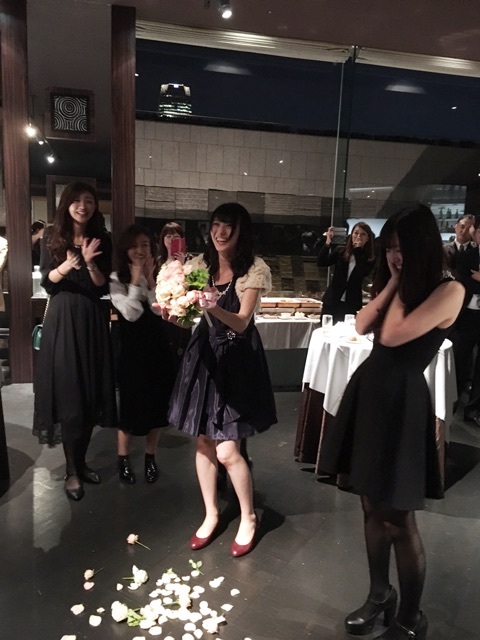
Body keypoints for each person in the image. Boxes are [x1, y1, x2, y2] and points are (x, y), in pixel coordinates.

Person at [318, 205, 464, 639]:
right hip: (372, 395)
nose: (395, 256)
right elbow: (363, 324)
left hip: (403, 403)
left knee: (398, 517)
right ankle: (380, 594)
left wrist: (399, 283)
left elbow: (393, 335)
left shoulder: (449, 289)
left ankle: (411, 618)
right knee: (369, 504)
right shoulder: (400, 284)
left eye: (403, 248)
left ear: (424, 246)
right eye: (390, 249)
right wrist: (395, 281)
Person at [166, 203, 277, 557]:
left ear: (241, 231)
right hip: (204, 356)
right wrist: (174, 313)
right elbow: (189, 316)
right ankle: (211, 514)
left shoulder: (253, 269)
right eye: (216, 225)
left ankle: (248, 517)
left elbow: (242, 322)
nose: (221, 232)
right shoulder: (200, 265)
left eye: (229, 226)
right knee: (203, 442)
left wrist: (213, 307)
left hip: (238, 358)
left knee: (228, 450)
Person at [33, 182, 117, 501]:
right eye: (77, 200)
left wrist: (90, 261)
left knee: (89, 392)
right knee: (70, 393)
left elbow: (101, 286)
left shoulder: (102, 239)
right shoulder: (52, 236)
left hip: (92, 318)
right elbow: (47, 282)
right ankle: (71, 470)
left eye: (90, 200)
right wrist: (68, 265)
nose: (83, 205)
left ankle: (81, 463)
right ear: (67, 204)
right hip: (64, 318)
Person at [110, 224, 176, 484]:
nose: (140, 250)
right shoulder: (116, 278)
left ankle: (150, 458)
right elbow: (130, 313)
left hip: (157, 350)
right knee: (130, 407)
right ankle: (123, 459)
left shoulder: (157, 275)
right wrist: (136, 281)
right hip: (131, 353)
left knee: (157, 408)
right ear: (125, 249)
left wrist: (150, 279)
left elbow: (160, 311)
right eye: (135, 245)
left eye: (145, 245)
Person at [317, 222, 376, 324]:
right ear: (351, 235)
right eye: (356, 233)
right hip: (332, 300)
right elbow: (321, 262)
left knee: (347, 331)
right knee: (326, 329)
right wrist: (327, 242)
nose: (358, 236)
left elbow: (363, 272)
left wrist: (357, 250)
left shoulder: (369, 258)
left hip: (351, 303)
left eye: (363, 234)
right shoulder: (341, 251)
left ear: (368, 238)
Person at [452, 217, 480, 423]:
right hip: (467, 315)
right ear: (475, 233)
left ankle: (473, 409)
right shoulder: (466, 256)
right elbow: (463, 283)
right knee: (459, 360)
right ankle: (452, 403)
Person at [158, 221, 191, 370]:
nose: (172, 239)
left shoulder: (188, 261)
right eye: (168, 236)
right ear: (163, 239)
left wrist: (182, 264)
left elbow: (193, 287)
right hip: (161, 314)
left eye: (176, 236)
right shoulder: (158, 261)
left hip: (182, 314)